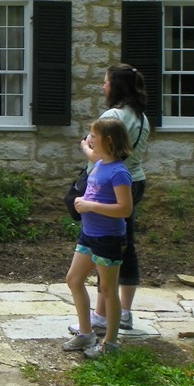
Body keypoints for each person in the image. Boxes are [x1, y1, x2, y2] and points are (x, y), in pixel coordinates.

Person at [73, 64, 150, 334]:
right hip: (135, 180)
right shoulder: (141, 116)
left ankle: (103, 315)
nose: (102, 87)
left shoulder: (113, 115)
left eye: (105, 82)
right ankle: (124, 310)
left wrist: (85, 146)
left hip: (112, 186)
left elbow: (105, 158)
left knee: (107, 247)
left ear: (115, 86)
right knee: (126, 246)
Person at [63, 117, 134, 358]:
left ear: (108, 140)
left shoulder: (119, 173)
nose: (89, 139)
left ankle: (110, 344)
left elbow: (125, 209)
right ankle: (86, 333)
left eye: (93, 136)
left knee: (107, 289)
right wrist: (84, 146)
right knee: (73, 279)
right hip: (89, 235)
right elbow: (91, 154)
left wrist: (90, 205)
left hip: (108, 238)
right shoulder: (101, 163)